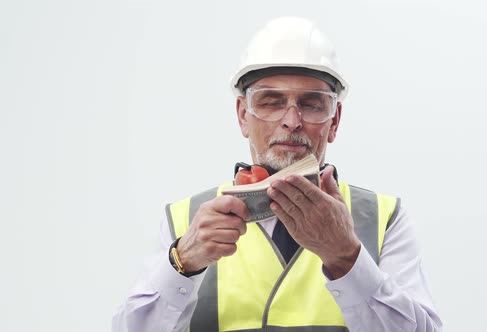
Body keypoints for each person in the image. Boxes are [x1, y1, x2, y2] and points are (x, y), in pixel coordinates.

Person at [113, 16, 442, 332]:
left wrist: (346, 257)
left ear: (335, 121)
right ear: (243, 116)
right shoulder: (185, 220)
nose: (292, 120)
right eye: (270, 102)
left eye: (312, 104)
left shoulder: (384, 219)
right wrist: (183, 262)